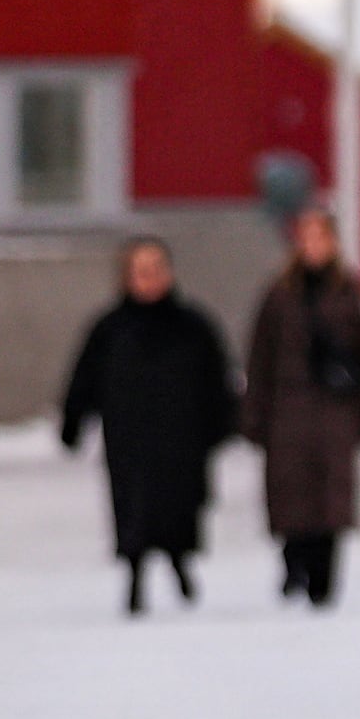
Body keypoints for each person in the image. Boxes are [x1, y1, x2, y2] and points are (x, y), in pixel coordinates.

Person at [60, 235, 240, 613]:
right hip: (130, 439)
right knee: (134, 512)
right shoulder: (110, 329)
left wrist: (224, 424)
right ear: (127, 277)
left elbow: (217, 379)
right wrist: (73, 422)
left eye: (157, 269)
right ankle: (135, 581)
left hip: (182, 439)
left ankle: (180, 565)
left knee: (180, 509)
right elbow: (84, 379)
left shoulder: (194, 326)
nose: (149, 278)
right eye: (141, 271)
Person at [241, 202, 360, 609]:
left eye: (321, 236)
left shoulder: (347, 293)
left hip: (335, 412)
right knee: (291, 499)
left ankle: (325, 580)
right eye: (305, 236)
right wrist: (253, 416)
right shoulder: (278, 295)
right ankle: (294, 562)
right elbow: (260, 359)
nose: (313, 245)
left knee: (331, 501)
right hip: (287, 412)